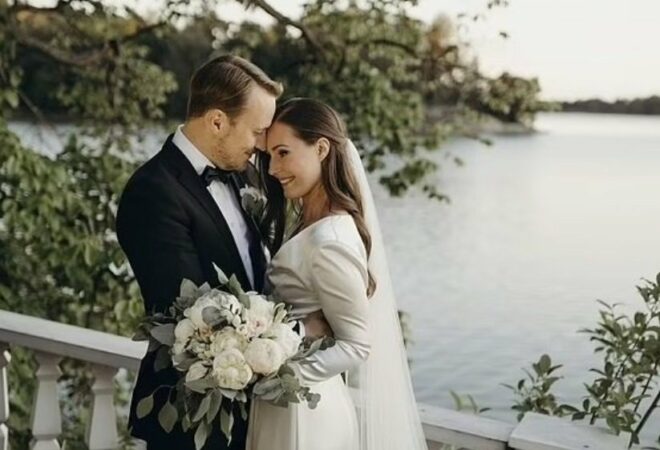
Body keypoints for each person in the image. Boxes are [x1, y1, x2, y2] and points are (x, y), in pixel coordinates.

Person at [115, 56, 330, 450]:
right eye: (257, 131)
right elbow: (194, 315)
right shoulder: (153, 192)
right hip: (191, 416)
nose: (262, 146)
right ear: (217, 121)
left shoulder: (245, 172)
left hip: (257, 412)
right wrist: (304, 332)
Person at [247, 98, 428, 450]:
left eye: (283, 153)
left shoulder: (330, 240)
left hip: (302, 412)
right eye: (269, 156)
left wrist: (275, 375)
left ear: (321, 149)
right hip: (286, 405)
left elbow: (356, 344)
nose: (273, 169)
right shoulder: (311, 223)